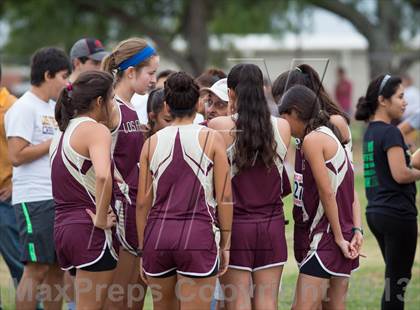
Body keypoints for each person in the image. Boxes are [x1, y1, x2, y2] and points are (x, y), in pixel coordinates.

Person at [136, 72, 233, 309]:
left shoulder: (151, 142)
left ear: (167, 105)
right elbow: (225, 198)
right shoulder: (212, 138)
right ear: (197, 103)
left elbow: (141, 203)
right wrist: (226, 244)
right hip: (197, 235)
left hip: (158, 236)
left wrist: (142, 248)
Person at [209, 64, 290, 310]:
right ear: (261, 89)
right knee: (268, 303)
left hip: (237, 227)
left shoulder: (219, 127)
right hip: (273, 225)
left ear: (231, 93)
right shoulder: (282, 126)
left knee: (237, 303)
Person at [272, 64, 363, 269]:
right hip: (305, 222)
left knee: (315, 299)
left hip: (327, 228)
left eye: (283, 106)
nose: (281, 117)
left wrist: (357, 228)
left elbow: (346, 183)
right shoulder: (301, 132)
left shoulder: (333, 125)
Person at [279, 85, 359, 309]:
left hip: (327, 237)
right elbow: (347, 189)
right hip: (336, 233)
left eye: (284, 117)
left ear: (295, 112)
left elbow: (327, 192)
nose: (283, 124)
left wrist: (339, 237)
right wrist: (353, 229)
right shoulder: (328, 133)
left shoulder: (313, 139)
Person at [5, 47, 70, 310]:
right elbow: (16, 155)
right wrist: (55, 142)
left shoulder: (53, 107)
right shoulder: (24, 107)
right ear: (47, 74)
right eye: (64, 76)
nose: (67, 83)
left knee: (56, 269)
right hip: (34, 199)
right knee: (36, 268)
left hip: (57, 198)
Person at [50, 70, 118, 310]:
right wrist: (100, 218)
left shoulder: (62, 131)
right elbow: (102, 175)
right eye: (111, 99)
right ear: (100, 101)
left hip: (63, 226)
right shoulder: (95, 129)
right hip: (88, 227)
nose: (113, 105)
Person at [101, 37, 159, 309]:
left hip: (136, 206)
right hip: (120, 210)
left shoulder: (133, 109)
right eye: (151, 73)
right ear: (131, 72)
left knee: (135, 295)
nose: (154, 80)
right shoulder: (111, 108)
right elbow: (101, 161)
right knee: (119, 298)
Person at [355, 74, 420, 310]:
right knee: (397, 284)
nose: (405, 102)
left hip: (377, 212)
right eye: (400, 97)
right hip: (396, 213)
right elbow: (401, 174)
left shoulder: (370, 131)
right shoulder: (390, 132)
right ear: (383, 100)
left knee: (394, 280)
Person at [0, 63, 24, 308]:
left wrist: (16, 184)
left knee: (19, 264)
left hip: (5, 198)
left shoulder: (12, 107)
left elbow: (26, 150)